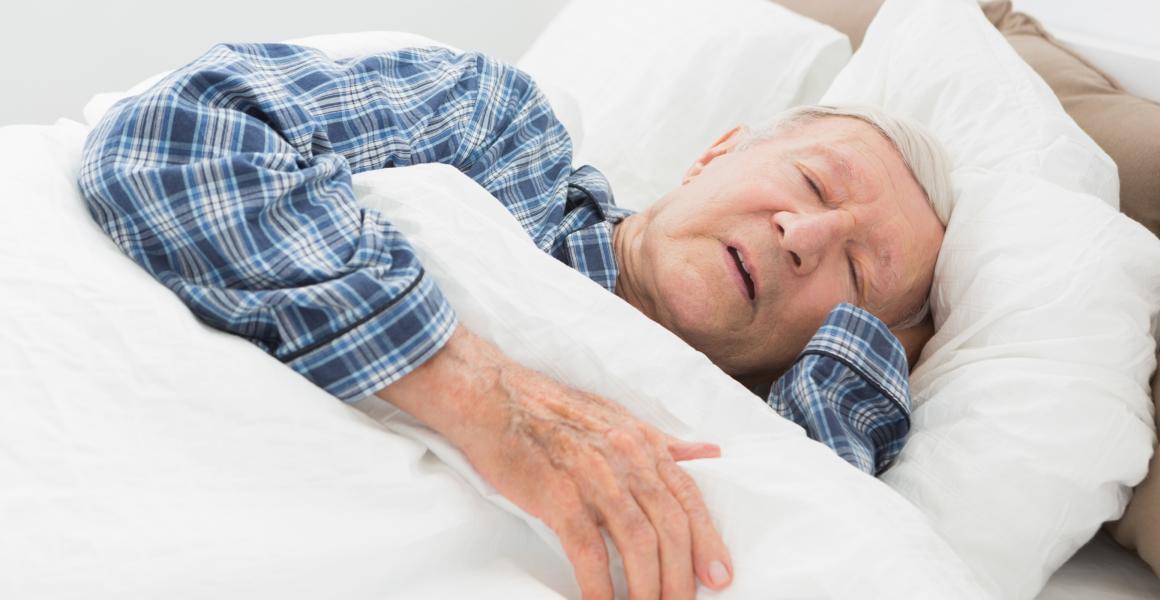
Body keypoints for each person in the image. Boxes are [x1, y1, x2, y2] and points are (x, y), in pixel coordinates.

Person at [79, 42, 949, 600]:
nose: (805, 237)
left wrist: (875, 345)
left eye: (856, 272)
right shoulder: (501, 140)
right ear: (718, 152)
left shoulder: (756, 433)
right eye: (812, 184)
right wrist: (478, 395)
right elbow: (178, 139)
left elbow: (811, 545)